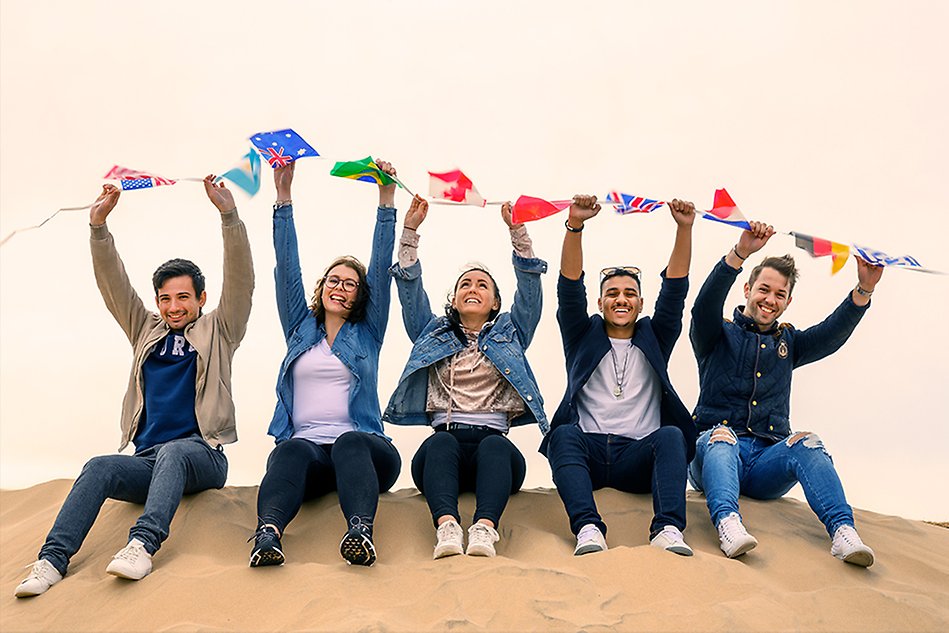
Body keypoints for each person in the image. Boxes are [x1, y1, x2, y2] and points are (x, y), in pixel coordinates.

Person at [15, 177, 254, 598]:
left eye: (183, 297)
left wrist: (228, 216)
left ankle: (142, 544)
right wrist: (98, 227)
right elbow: (113, 286)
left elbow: (241, 281)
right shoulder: (144, 328)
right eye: (165, 298)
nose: (174, 306)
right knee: (98, 466)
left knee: (178, 450)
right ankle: (52, 560)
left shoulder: (221, 329)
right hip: (148, 461)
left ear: (201, 298)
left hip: (201, 456)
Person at [687, 221, 883, 566]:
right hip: (714, 457)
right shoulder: (716, 334)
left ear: (788, 301)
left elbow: (830, 335)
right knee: (721, 437)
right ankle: (728, 523)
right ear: (747, 288)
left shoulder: (788, 343)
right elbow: (703, 307)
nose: (770, 300)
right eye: (764, 289)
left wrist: (863, 290)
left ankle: (842, 532)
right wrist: (740, 253)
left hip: (765, 463)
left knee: (808, 442)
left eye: (780, 294)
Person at [247, 160, 401, 569]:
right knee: (291, 449)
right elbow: (287, 269)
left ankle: (360, 532)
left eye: (350, 283)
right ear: (322, 287)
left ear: (359, 295)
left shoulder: (368, 332)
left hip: (366, 453)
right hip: (311, 459)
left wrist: (386, 199)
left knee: (350, 442)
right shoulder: (300, 327)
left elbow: (382, 270)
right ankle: (268, 534)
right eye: (333, 280)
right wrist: (283, 196)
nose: (340, 287)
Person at [384, 196, 548, 559]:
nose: (473, 288)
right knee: (440, 445)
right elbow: (409, 292)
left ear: (494, 302)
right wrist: (410, 232)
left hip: (495, 452)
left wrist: (517, 231)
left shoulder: (511, 333)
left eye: (482, 285)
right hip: (445, 449)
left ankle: (485, 530)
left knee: (494, 447)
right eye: (465, 285)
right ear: (454, 298)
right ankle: (447, 527)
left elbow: (531, 294)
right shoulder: (432, 333)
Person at [543, 194, 697, 557]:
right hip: (590, 453)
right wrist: (575, 225)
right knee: (562, 435)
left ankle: (668, 529)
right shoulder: (583, 335)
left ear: (641, 304)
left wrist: (684, 228)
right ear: (600, 303)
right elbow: (569, 288)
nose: (621, 299)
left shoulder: (654, 337)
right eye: (612, 293)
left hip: (637, 457)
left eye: (630, 293)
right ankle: (588, 528)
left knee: (672, 436)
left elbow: (675, 292)